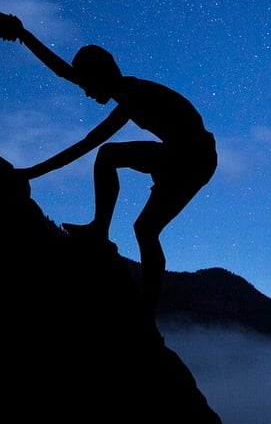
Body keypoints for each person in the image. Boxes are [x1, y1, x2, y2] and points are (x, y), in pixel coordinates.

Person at [16, 28, 217, 319]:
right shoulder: (120, 89)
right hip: (181, 154)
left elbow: (88, 143)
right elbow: (63, 71)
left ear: (100, 75)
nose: (84, 91)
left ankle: (143, 306)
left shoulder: (132, 96)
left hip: (193, 159)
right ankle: (101, 233)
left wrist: (32, 173)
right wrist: (24, 34)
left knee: (143, 224)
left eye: (87, 84)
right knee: (140, 218)